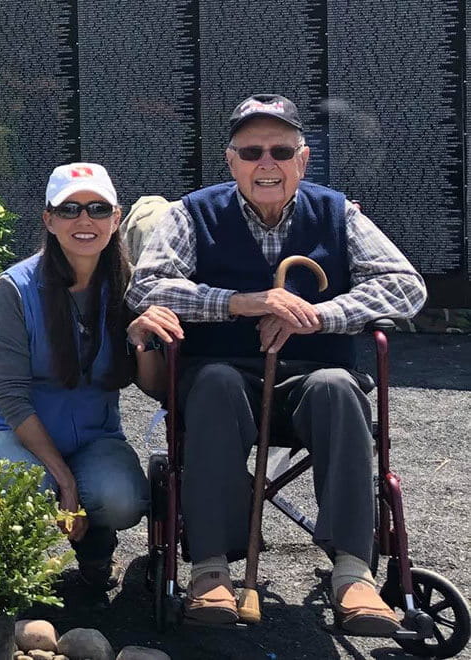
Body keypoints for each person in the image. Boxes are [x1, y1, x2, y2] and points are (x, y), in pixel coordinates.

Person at [126, 94, 427, 631]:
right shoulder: (192, 213)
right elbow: (146, 286)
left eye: (281, 150)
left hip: (311, 377)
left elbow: (406, 287)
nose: (267, 163)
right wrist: (244, 302)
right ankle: (211, 570)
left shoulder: (339, 212)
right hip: (223, 377)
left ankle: (353, 573)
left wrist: (317, 314)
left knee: (339, 387)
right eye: (252, 151)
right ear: (231, 160)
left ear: (303, 159)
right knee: (214, 384)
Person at [0, 162, 183, 591]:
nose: (84, 220)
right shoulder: (13, 288)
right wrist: (66, 482)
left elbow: (151, 386)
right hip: (21, 435)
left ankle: (97, 537)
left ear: (116, 218)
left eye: (97, 208)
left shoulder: (131, 285)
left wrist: (141, 342)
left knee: (124, 501)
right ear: (49, 220)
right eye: (69, 210)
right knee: (19, 489)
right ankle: (5, 579)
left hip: (96, 437)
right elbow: (13, 397)